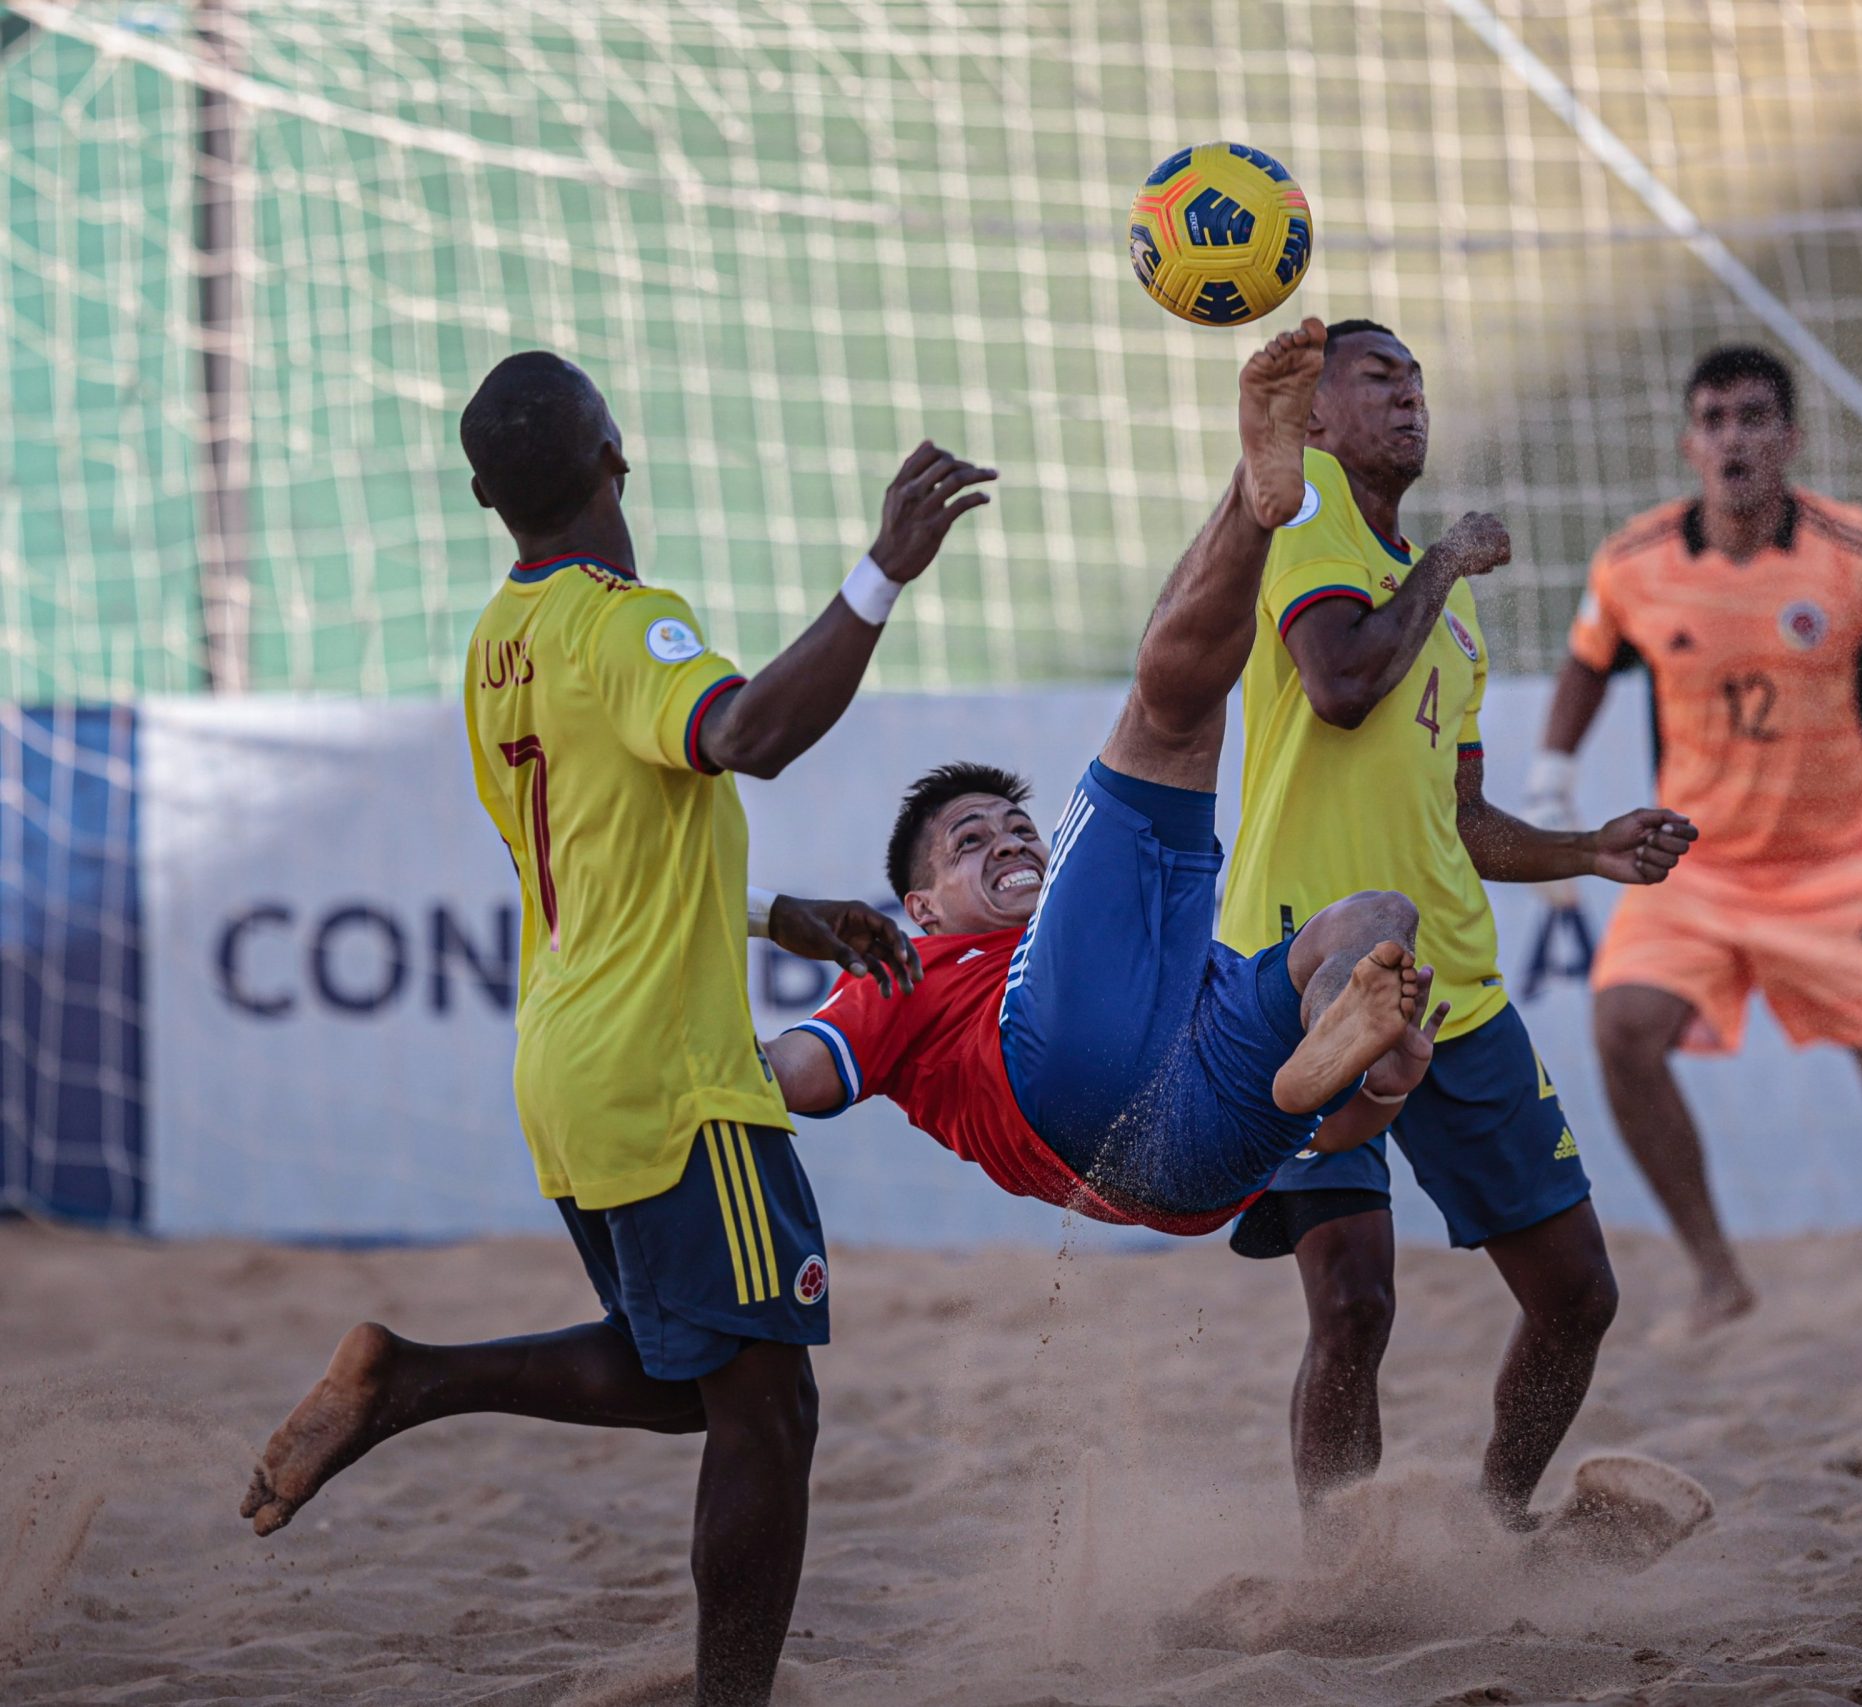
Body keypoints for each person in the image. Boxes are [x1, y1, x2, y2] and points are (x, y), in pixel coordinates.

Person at [238, 350, 988, 1707]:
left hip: (571, 1068)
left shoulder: (496, 641)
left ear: (484, 493)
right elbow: (750, 731)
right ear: (615, 458)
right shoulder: (625, 620)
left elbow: (609, 848)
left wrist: (772, 913)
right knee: (770, 1408)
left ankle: (411, 1378)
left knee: (686, 1370)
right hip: (675, 1079)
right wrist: (881, 570)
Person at [760, 319, 1465, 1241]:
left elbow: (1323, 1131)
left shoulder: (1128, 945)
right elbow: (794, 1078)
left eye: (1015, 827)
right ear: (920, 909)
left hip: (1204, 1162)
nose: (1010, 839)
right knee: (1171, 719)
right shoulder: (908, 970)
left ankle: (1344, 1034)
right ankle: (1256, 498)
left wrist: (1382, 1091)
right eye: (969, 842)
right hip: (1062, 1084)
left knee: (1379, 917)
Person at [1213, 319, 1698, 1534]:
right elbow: (1338, 686)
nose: (1410, 399)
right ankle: (1338, 1571)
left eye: (1419, 381)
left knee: (1579, 1295)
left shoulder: (1454, 622)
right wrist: (1443, 562)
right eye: (1378, 379)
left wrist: (1584, 849)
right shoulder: (1304, 508)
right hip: (1306, 980)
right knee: (1355, 1306)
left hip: (1455, 992)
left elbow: (1463, 814)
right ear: (1314, 417)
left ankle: (1488, 1527)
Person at [1525, 343, 1862, 1332]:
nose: (1733, 438)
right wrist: (1549, 785)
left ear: (1789, 439)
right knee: (1620, 1031)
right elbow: (1586, 665)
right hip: (1694, 868)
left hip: (1839, 865)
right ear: (1688, 442)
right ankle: (1716, 1275)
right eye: (1714, 420)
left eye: (1753, 418)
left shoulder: (1858, 553)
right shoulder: (1633, 563)